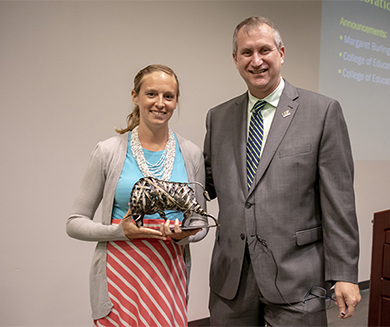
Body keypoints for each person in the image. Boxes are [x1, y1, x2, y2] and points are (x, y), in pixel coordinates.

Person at [203, 16, 361, 326]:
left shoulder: (322, 112)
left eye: (265, 50)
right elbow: (207, 183)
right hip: (232, 279)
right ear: (235, 59)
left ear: (282, 53)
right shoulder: (218, 117)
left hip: (297, 280)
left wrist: (344, 273)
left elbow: (338, 202)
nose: (256, 60)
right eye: (246, 52)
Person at [67, 64, 208, 327]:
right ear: (135, 96)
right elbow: (74, 222)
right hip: (119, 273)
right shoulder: (108, 151)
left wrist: (184, 234)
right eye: (151, 94)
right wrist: (121, 231)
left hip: (168, 273)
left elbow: (200, 224)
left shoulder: (191, 153)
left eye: (168, 96)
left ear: (176, 101)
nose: (160, 103)